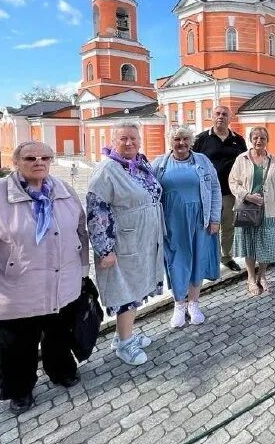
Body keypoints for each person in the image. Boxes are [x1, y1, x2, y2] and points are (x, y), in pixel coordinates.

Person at [0, 141, 89, 414]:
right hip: (15, 289)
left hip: (61, 285)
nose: (38, 162)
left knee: (59, 336)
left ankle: (61, 372)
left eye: (44, 157)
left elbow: (80, 233)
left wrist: (82, 271)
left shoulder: (64, 191)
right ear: (16, 162)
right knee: (17, 346)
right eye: (30, 157)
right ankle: (20, 390)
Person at [87, 121, 164, 366]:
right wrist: (105, 249)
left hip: (143, 239)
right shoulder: (107, 170)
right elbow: (95, 211)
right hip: (122, 243)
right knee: (126, 292)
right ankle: (124, 344)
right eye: (123, 139)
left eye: (133, 138)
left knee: (137, 288)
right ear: (113, 141)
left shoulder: (140, 164)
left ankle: (124, 336)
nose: (129, 143)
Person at [153, 126, 221, 328]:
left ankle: (193, 303)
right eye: (176, 139)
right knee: (176, 261)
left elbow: (215, 188)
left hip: (201, 220)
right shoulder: (159, 164)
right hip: (173, 222)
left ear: (191, 141)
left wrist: (215, 218)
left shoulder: (202, 161)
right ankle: (179, 305)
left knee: (198, 260)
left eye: (185, 139)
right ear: (170, 142)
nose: (181, 143)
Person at [229, 127, 275, 295]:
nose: (259, 141)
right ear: (250, 139)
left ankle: (262, 276)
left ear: (267, 140)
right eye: (255, 138)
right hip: (247, 209)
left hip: (268, 211)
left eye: (262, 138)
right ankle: (250, 278)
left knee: (265, 244)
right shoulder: (242, 159)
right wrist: (247, 196)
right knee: (249, 245)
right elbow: (233, 182)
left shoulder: (273, 160)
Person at [192, 106, 248, 273]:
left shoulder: (238, 139)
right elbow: (191, 163)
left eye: (224, 114)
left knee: (228, 226)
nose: (220, 117)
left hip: (230, 192)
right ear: (212, 117)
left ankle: (227, 257)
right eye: (217, 113)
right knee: (211, 226)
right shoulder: (201, 139)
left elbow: (245, 163)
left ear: (229, 118)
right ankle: (212, 258)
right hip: (208, 193)